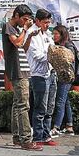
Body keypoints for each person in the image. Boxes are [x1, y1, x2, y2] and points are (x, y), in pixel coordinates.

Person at [2, 3, 41, 150]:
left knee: (18, 104)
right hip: (17, 70)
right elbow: (18, 43)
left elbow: (23, 48)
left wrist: (29, 36)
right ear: (16, 15)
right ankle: (26, 139)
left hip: (22, 69)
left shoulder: (17, 29)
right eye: (24, 19)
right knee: (24, 105)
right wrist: (25, 29)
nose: (26, 22)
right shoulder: (9, 27)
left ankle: (17, 137)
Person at [27, 8, 57, 146]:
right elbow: (37, 56)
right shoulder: (32, 34)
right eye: (45, 22)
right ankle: (38, 137)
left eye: (49, 22)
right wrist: (53, 56)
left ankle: (46, 135)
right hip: (38, 75)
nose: (47, 25)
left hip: (50, 72)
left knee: (50, 107)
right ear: (37, 21)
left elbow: (53, 49)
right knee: (40, 108)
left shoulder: (48, 34)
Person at [52, 24, 79, 136]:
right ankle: (69, 126)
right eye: (53, 34)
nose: (54, 36)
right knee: (65, 100)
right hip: (61, 76)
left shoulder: (68, 46)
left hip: (66, 77)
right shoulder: (59, 45)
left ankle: (56, 127)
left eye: (56, 34)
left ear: (62, 34)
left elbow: (70, 61)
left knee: (60, 101)